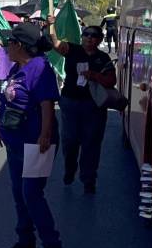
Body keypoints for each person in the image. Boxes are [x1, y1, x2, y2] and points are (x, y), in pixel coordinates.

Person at [0, 23, 66, 248]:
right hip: (14, 144)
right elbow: (8, 100)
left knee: (32, 195)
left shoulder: (40, 68)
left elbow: (47, 105)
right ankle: (26, 241)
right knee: (19, 194)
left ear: (20, 45)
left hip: (36, 144)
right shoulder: (17, 67)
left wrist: (45, 135)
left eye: (9, 42)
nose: (6, 46)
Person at [48, 18, 116, 194]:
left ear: (100, 40)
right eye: (86, 35)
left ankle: (88, 179)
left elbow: (111, 80)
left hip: (94, 107)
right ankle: (69, 171)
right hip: (70, 104)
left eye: (94, 36)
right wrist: (51, 25)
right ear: (82, 37)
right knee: (70, 141)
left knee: (91, 143)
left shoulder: (103, 58)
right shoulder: (73, 50)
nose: (89, 38)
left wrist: (94, 75)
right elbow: (55, 43)